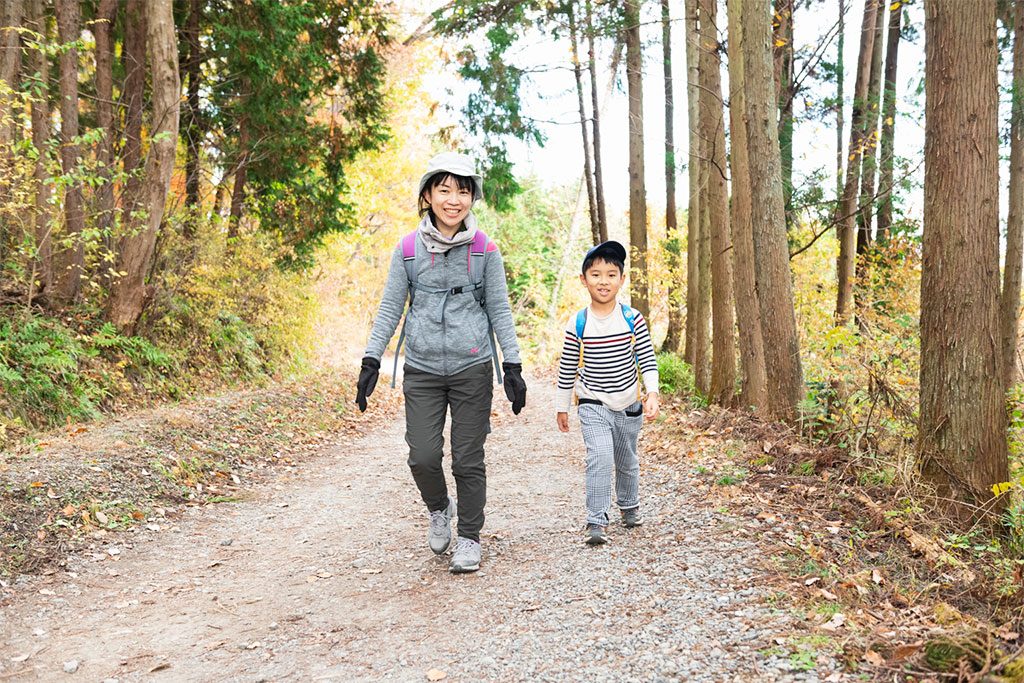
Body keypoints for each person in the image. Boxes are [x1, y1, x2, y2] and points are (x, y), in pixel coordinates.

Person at [355, 151, 527, 573]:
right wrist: (371, 358)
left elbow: (500, 310)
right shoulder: (409, 250)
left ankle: (469, 537)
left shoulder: (485, 250)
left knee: (468, 458)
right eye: (445, 190)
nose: (454, 199)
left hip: (472, 367)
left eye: (463, 191)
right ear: (428, 195)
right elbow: (391, 307)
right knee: (423, 456)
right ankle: (439, 507)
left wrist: (513, 366)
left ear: (472, 198)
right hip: (423, 369)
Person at [555, 240, 659, 545]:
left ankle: (629, 505)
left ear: (622, 279)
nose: (604, 281)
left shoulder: (632, 319)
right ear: (584, 280)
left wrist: (651, 393)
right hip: (593, 402)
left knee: (626, 459)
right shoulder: (579, 322)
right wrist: (563, 406)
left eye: (611, 274)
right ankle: (596, 520)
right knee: (600, 457)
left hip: (628, 404)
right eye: (596, 274)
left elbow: (647, 359)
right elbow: (567, 367)